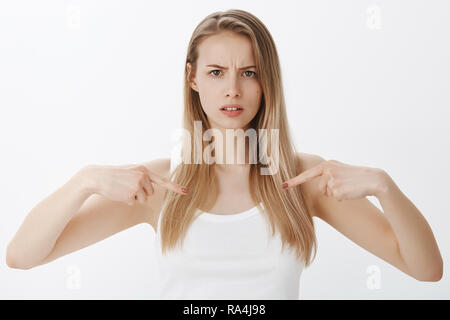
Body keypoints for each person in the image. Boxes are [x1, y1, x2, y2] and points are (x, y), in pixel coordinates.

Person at [6, 9, 443, 299]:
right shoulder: (160, 186)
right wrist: (85, 180)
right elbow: (23, 256)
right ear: (193, 79)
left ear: (266, 80)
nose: (233, 88)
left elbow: (426, 269)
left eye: (249, 72)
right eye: (216, 72)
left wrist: (385, 186)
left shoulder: (302, 180)